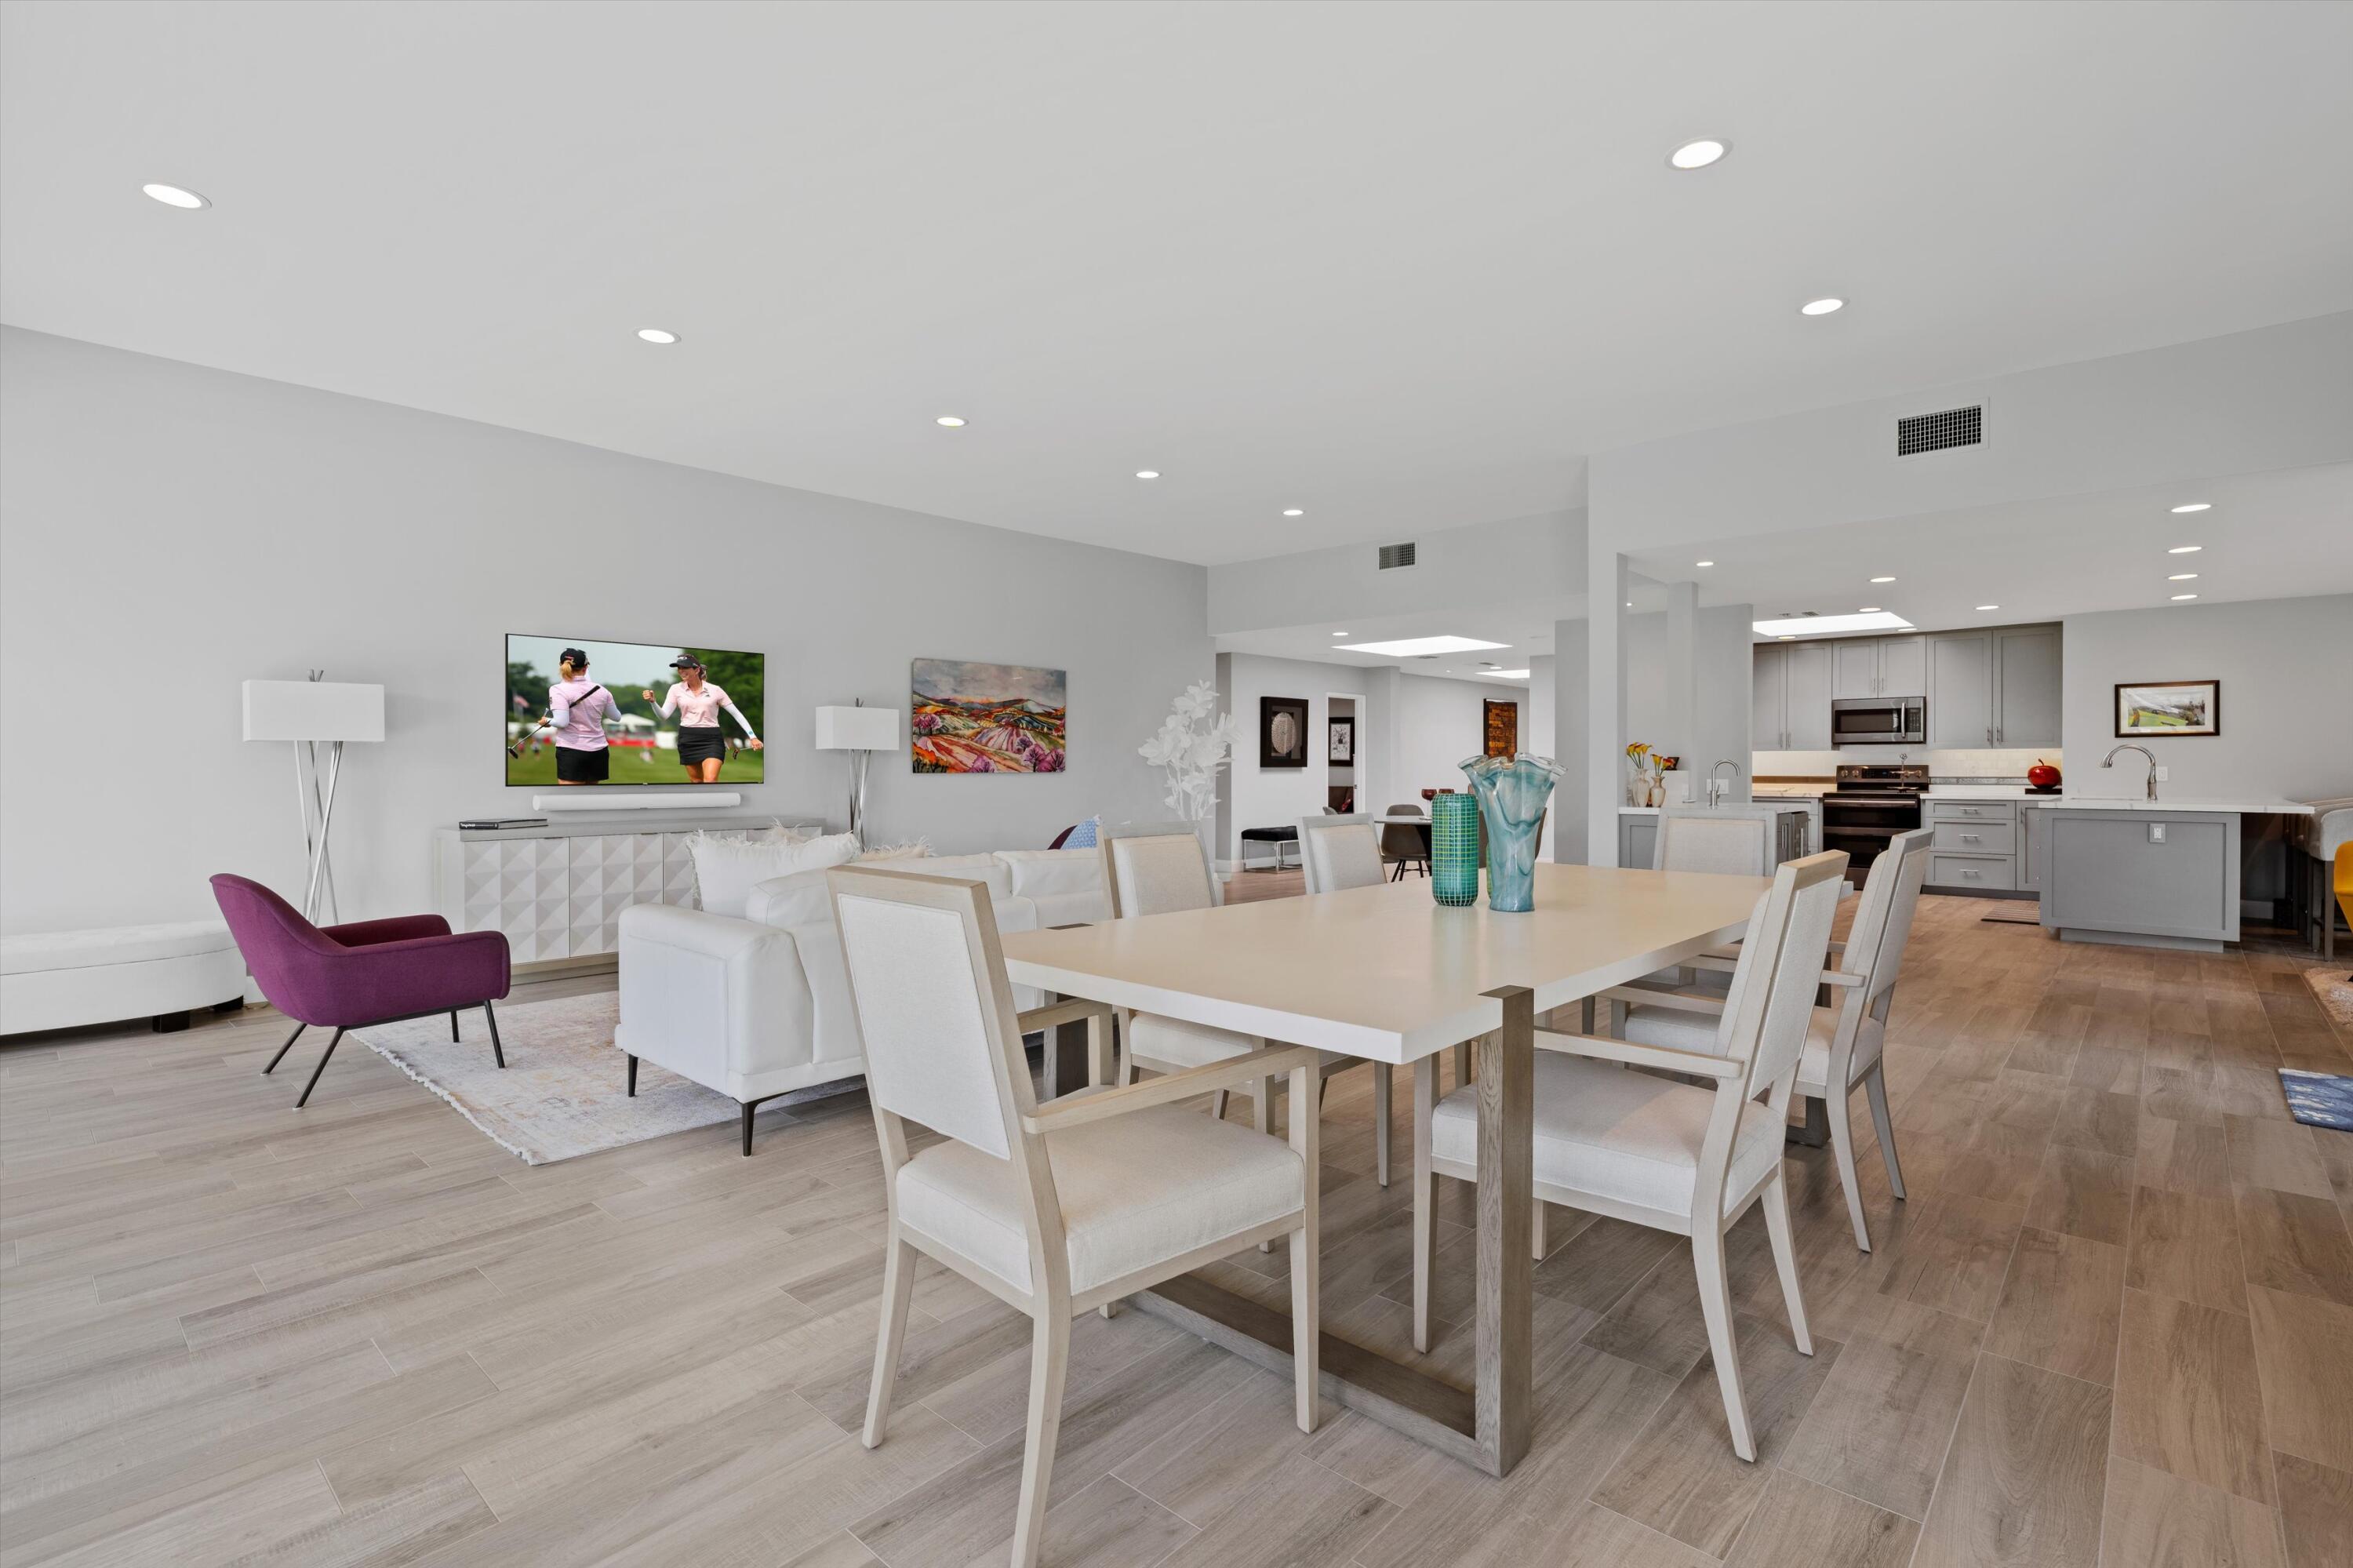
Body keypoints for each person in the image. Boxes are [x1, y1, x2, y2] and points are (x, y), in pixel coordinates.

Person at [644, 655, 761, 783]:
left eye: (685, 667)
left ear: (697, 670)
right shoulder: (675, 689)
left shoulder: (716, 690)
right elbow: (663, 716)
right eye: (679, 668)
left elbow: (737, 714)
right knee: (697, 782)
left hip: (712, 739)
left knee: (710, 780)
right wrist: (653, 702)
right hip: (688, 738)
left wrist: (752, 736)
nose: (681, 671)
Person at [546, 647, 622, 784]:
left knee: (570, 801)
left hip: (571, 750)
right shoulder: (602, 690)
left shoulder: (557, 689)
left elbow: (562, 722)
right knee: (590, 800)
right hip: (599, 750)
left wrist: (547, 720)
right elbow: (616, 717)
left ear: (561, 666)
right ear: (586, 668)